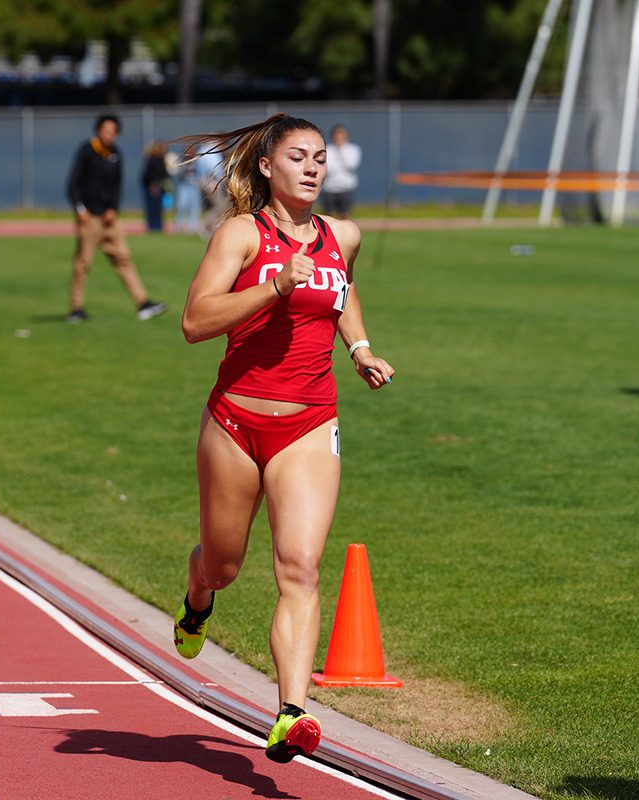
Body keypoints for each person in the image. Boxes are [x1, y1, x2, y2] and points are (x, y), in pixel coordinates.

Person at [172, 114, 395, 764]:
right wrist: (274, 285)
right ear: (267, 166)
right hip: (236, 422)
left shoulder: (343, 235)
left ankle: (291, 712)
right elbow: (193, 321)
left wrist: (359, 348)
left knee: (299, 568)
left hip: (308, 422)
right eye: (298, 156)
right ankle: (197, 594)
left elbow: (341, 291)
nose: (313, 167)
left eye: (320, 157)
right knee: (224, 564)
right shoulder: (241, 234)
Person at [65, 114, 166, 323]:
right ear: (98, 130)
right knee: (83, 263)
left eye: (113, 131)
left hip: (109, 219)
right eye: (105, 130)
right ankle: (76, 309)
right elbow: (73, 182)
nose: (109, 135)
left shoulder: (116, 154)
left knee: (124, 259)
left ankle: (143, 303)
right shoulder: (87, 151)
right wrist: (79, 208)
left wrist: (113, 209)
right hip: (89, 218)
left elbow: (117, 186)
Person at [321, 124, 361, 220]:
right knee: (328, 216)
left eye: (341, 135)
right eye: (337, 135)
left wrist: (340, 151)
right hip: (329, 187)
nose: (339, 138)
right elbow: (327, 168)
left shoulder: (353, 149)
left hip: (346, 187)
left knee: (345, 215)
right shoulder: (327, 149)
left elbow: (351, 165)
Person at [141, 141, 170, 233]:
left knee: (158, 208)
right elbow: (147, 175)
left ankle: (158, 227)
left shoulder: (162, 160)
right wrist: (152, 184)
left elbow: (164, 174)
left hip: (159, 188)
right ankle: (152, 227)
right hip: (151, 188)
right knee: (152, 208)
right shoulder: (152, 160)